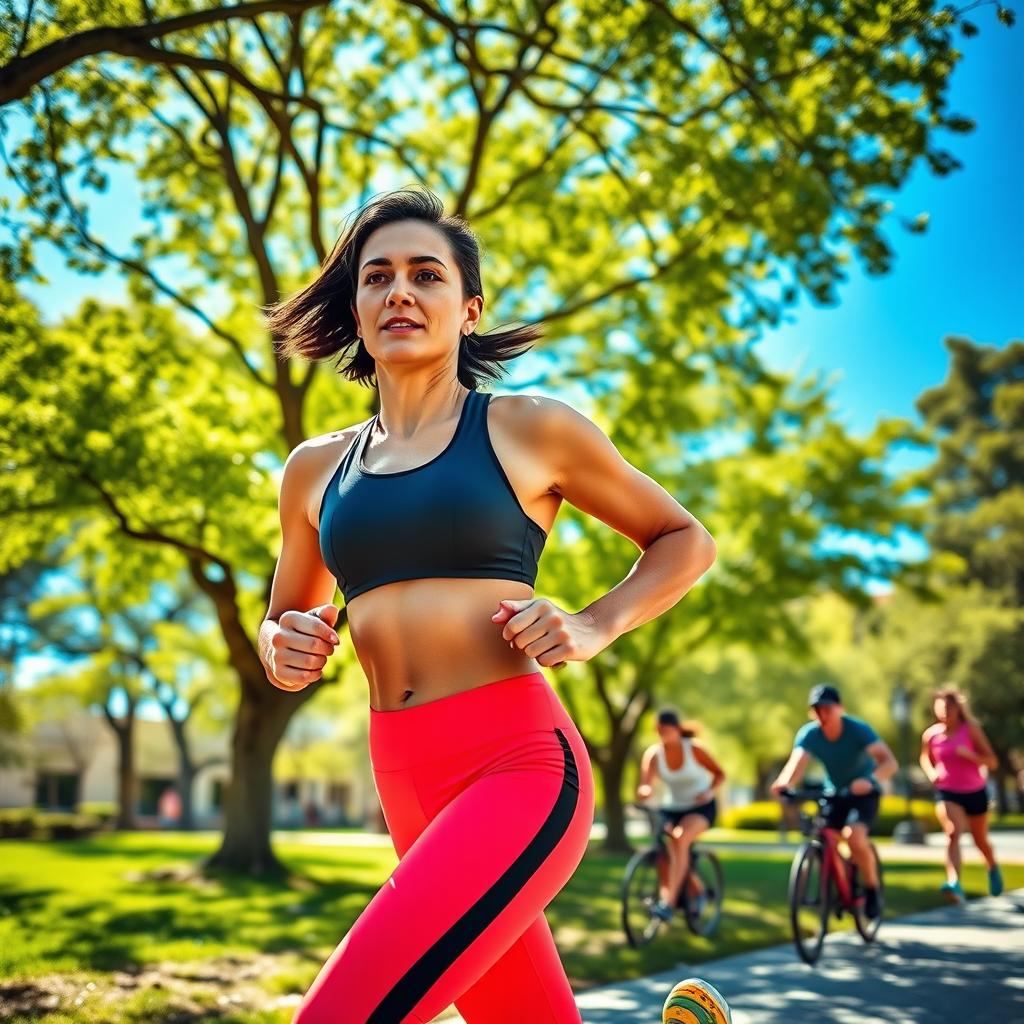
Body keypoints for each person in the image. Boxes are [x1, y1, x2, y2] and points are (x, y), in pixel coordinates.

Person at [257, 187, 718, 1024]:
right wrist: (279, 647)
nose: (399, 291)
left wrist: (592, 623)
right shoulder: (314, 470)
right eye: (377, 276)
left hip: (519, 765)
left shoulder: (528, 428)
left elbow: (684, 539)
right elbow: (283, 619)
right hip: (402, 774)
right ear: (356, 310)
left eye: (426, 274)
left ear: (469, 311)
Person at [771, 684, 898, 920]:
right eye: (817, 709)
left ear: (840, 709)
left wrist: (870, 780)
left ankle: (871, 889)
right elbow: (796, 763)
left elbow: (889, 763)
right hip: (835, 793)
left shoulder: (858, 730)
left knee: (854, 837)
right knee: (826, 836)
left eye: (827, 708)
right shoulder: (810, 734)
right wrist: (783, 783)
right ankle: (841, 883)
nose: (822, 714)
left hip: (863, 793)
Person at [635, 708, 726, 921]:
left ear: (677, 729)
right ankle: (697, 890)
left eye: (667, 730)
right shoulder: (654, 754)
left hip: (700, 807)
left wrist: (709, 791)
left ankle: (668, 903)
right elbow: (645, 784)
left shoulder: (693, 749)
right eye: (659, 731)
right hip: (672, 808)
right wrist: (645, 791)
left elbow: (720, 774)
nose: (663, 735)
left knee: (679, 838)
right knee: (665, 854)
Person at [919, 686, 1002, 902]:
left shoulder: (971, 729)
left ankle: (992, 866)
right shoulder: (931, 735)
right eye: (941, 707)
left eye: (949, 707)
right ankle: (954, 882)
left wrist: (970, 756)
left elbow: (992, 762)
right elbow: (925, 758)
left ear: (957, 709)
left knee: (979, 839)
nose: (944, 712)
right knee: (952, 832)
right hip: (947, 790)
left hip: (975, 791)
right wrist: (931, 772)